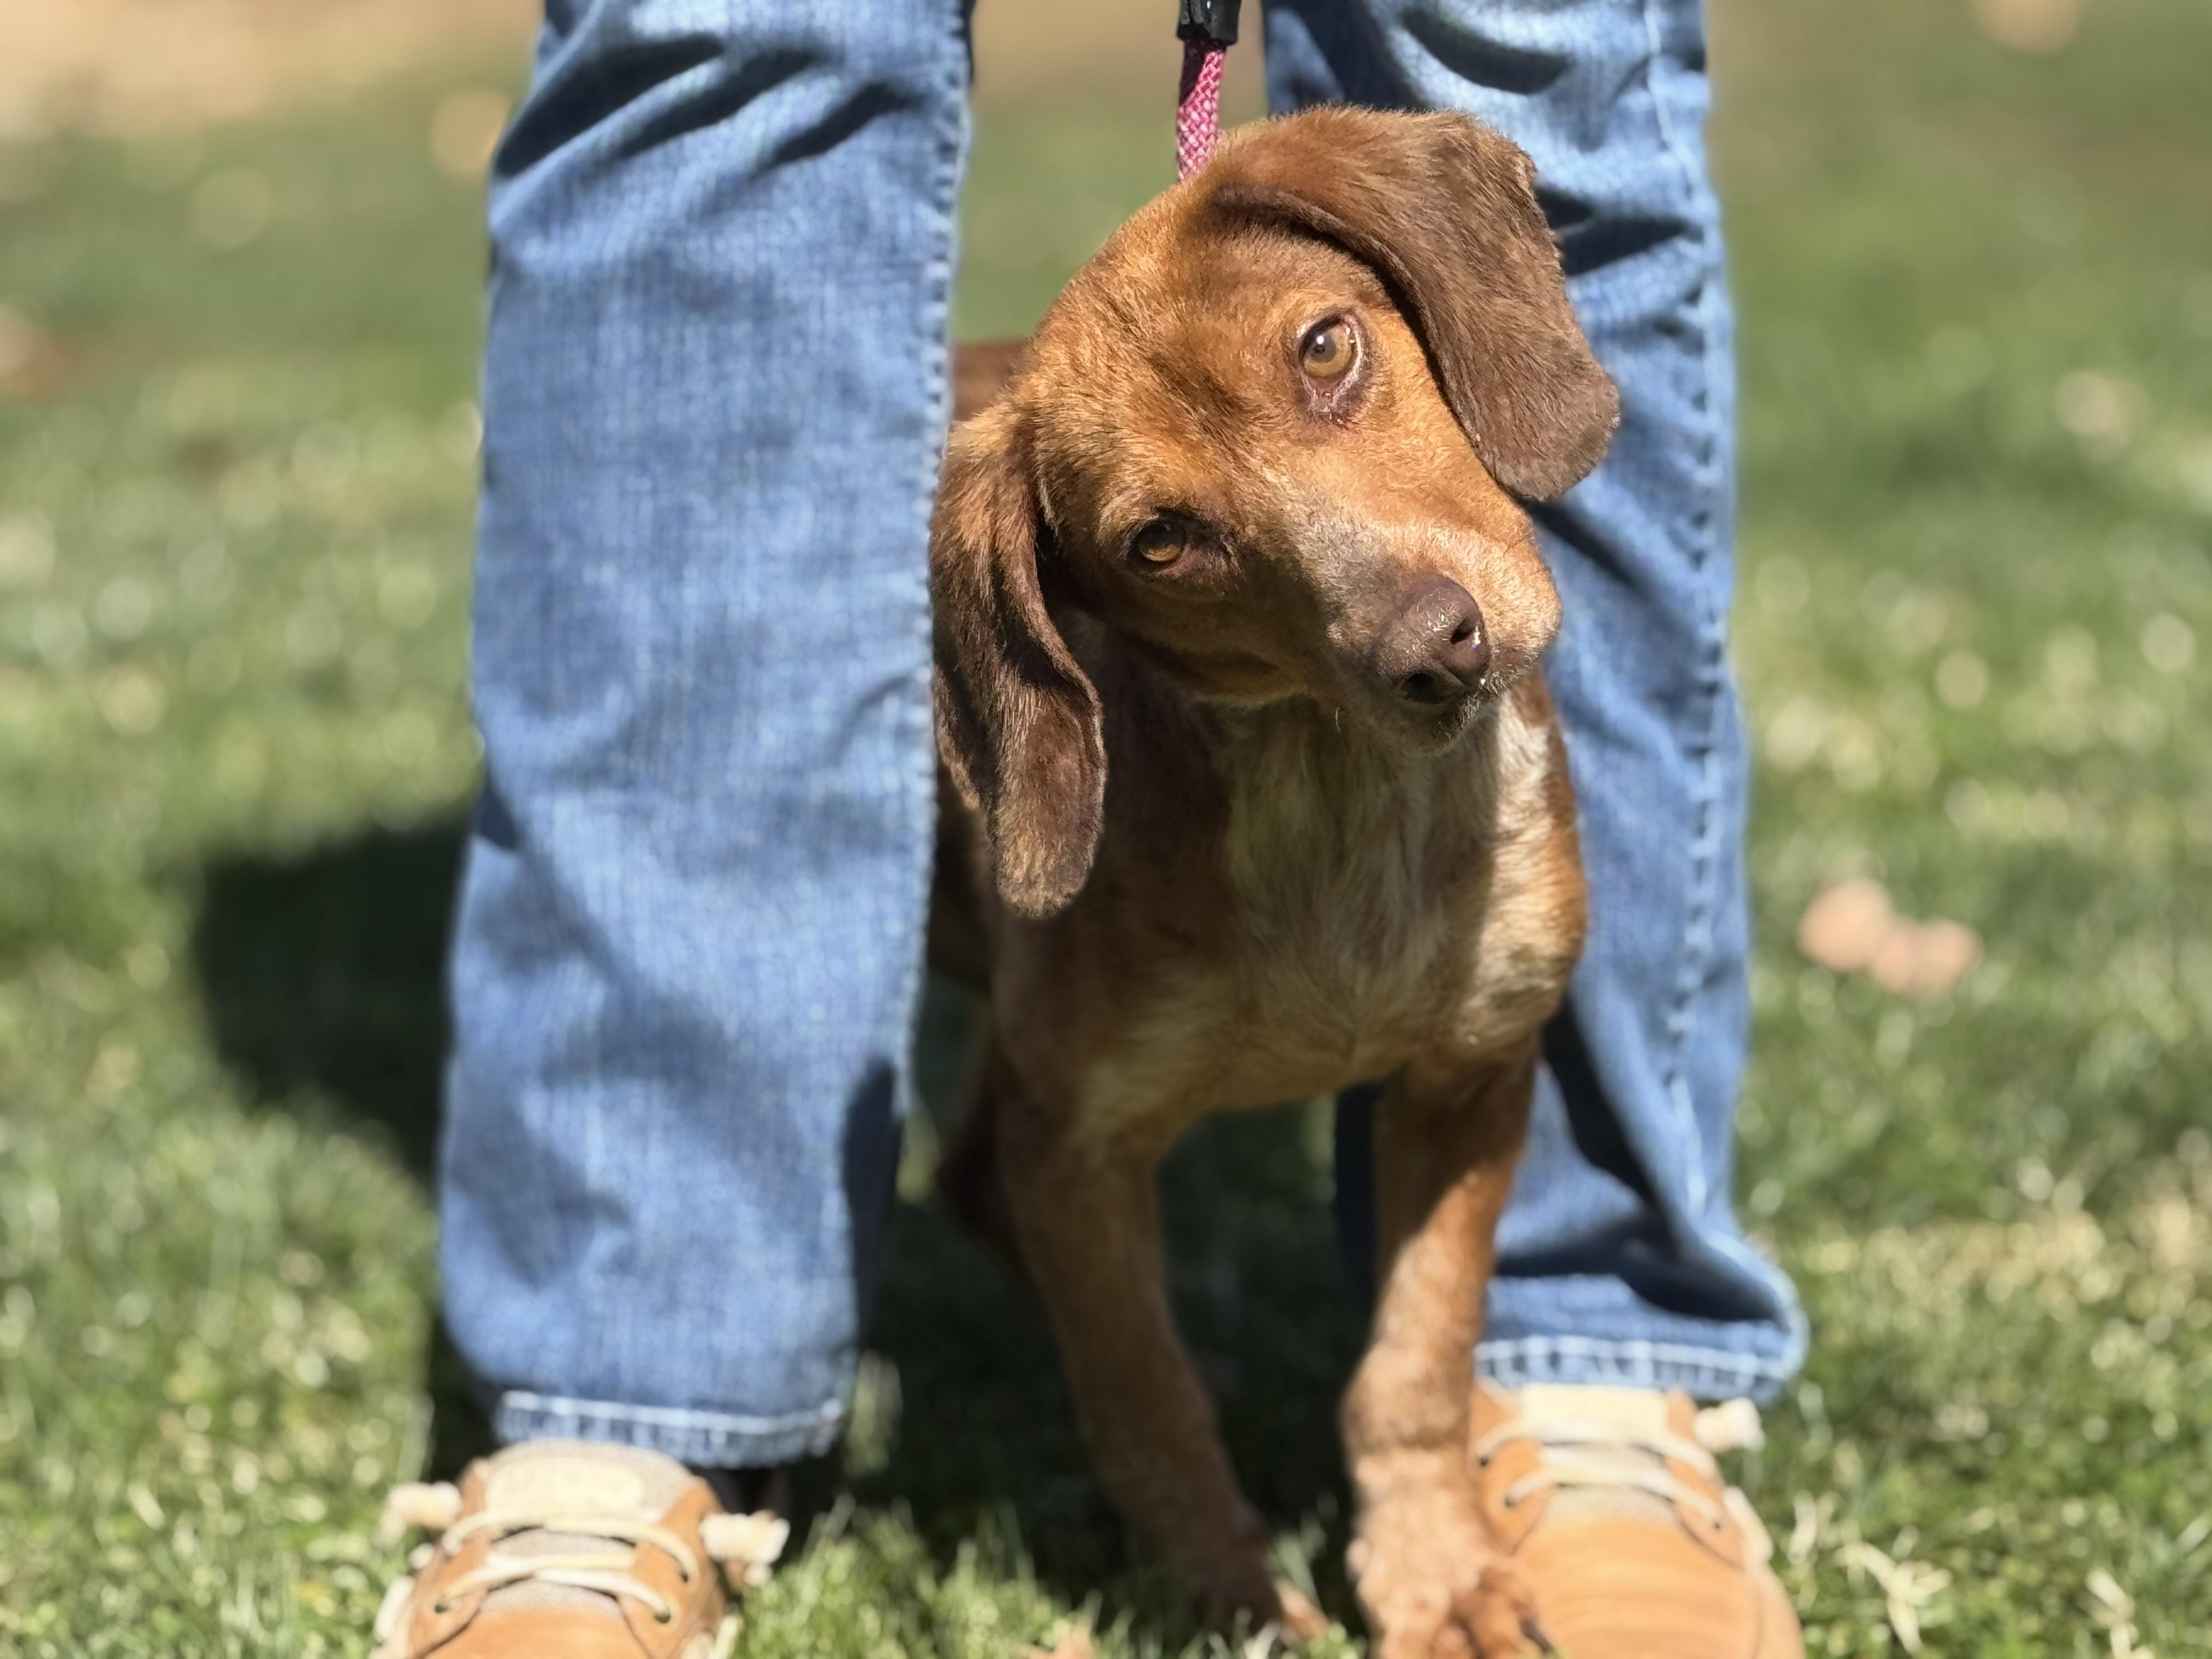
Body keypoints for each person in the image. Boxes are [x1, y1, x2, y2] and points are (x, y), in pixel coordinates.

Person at [369, 3, 1809, 1656]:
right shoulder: (1040, 614)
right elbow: (1085, 1131)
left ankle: (1576, 1379)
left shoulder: (1392, 330)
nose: (1391, 607)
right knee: (732, 36)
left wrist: (1398, 1469)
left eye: (1327, 356)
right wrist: (1195, 1527)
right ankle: (627, 1403)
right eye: (1173, 545)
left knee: (1511, 28)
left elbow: (1471, 1077)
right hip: (1116, 813)